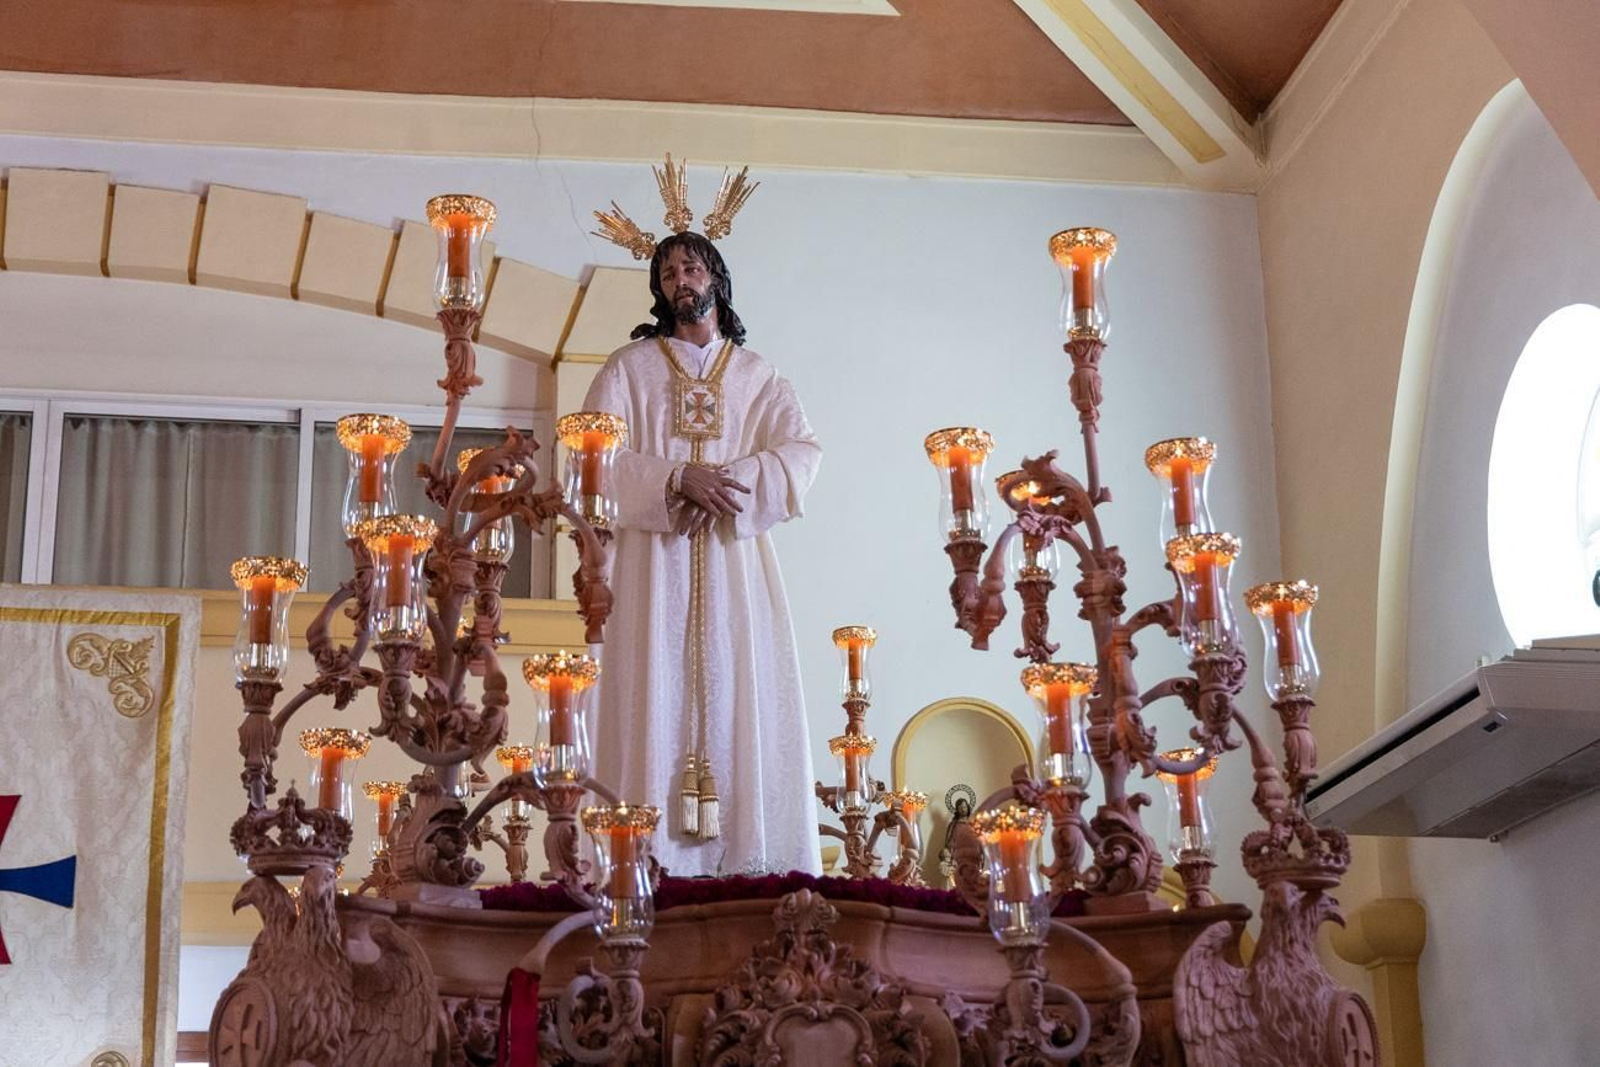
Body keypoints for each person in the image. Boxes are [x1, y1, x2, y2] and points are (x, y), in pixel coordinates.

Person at [583, 229, 823, 877]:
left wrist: (726, 484)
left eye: (690, 268)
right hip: (650, 567)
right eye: (667, 275)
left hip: (734, 561)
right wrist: (671, 479)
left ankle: (751, 861)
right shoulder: (626, 370)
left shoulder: (758, 377)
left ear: (716, 277)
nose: (679, 281)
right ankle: (641, 860)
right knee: (646, 684)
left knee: (740, 680)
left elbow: (802, 453)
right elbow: (591, 457)